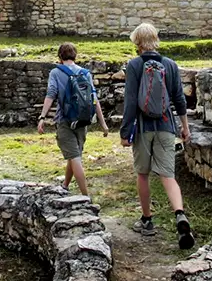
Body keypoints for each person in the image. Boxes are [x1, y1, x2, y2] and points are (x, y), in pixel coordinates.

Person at [120, 23, 195, 250]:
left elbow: (131, 102)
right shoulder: (170, 65)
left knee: (142, 174)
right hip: (166, 125)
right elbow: (179, 99)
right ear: (156, 39)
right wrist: (185, 127)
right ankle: (180, 215)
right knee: (168, 175)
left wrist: (125, 132)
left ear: (137, 42)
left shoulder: (134, 65)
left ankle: (147, 220)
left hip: (143, 128)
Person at [37, 42, 110, 198]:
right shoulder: (85, 73)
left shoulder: (56, 73)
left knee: (75, 158)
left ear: (60, 56)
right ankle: (65, 185)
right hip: (83, 120)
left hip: (65, 120)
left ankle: (85, 197)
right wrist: (103, 124)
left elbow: (51, 95)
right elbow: (94, 99)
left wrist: (42, 117)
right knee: (74, 154)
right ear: (75, 55)